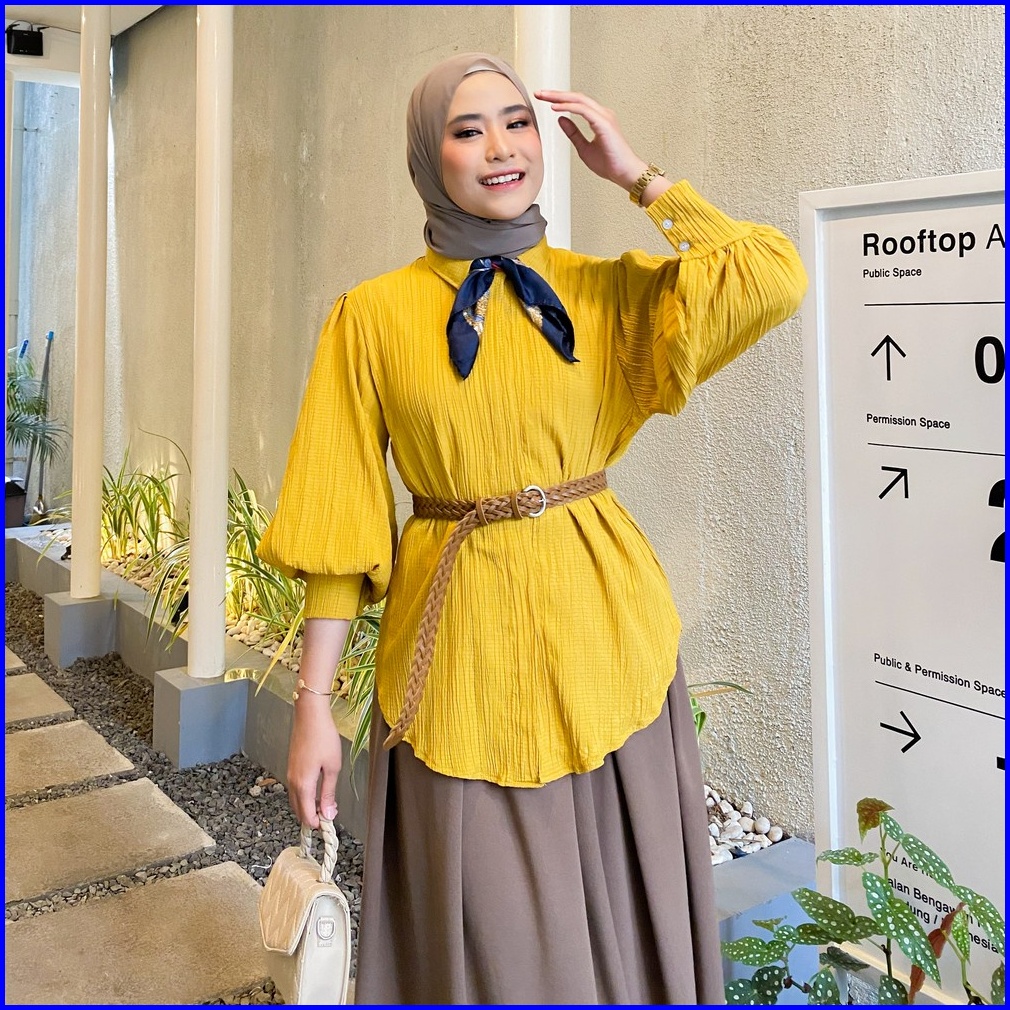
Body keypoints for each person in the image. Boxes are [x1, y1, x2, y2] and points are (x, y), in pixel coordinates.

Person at [258, 51, 807, 1005]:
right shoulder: (370, 318)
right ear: (427, 158)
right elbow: (339, 525)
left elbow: (771, 278)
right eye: (467, 131)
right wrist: (312, 704)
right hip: (460, 665)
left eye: (518, 122)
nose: (501, 148)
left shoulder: (605, 293)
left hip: (609, 650)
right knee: (495, 943)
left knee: (629, 919)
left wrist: (638, 176)